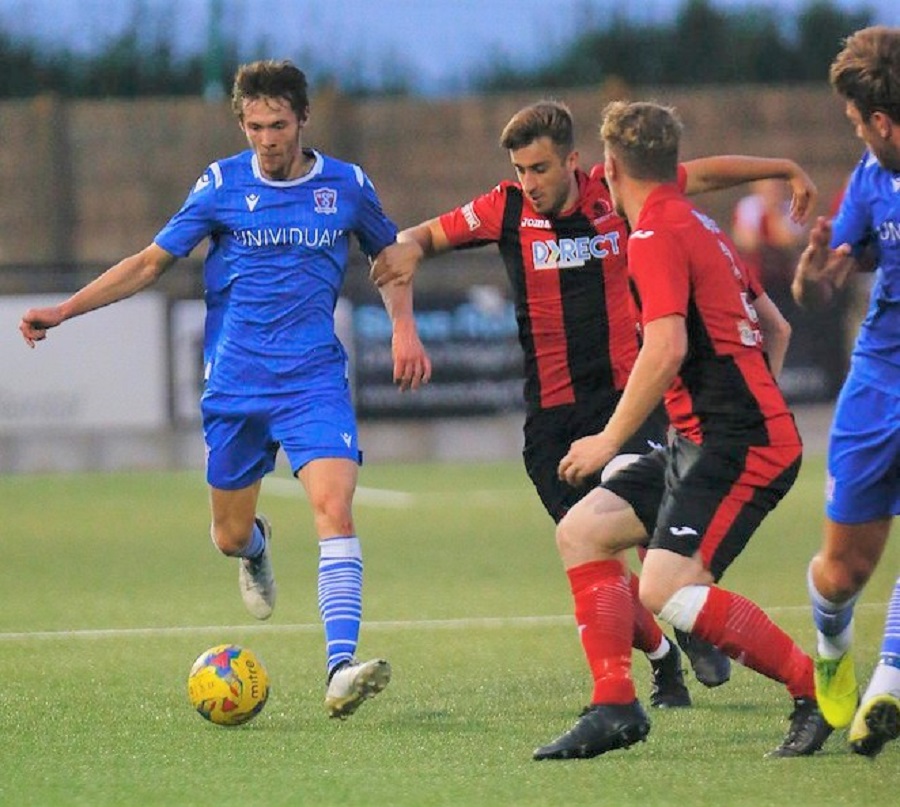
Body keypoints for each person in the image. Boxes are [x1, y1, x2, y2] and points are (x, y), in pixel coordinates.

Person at [18, 59, 432, 720]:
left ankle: (339, 666)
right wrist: (65, 311)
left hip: (313, 381)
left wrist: (404, 328)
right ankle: (256, 549)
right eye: (254, 126)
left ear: (302, 120)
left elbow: (393, 260)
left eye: (277, 125)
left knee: (335, 508)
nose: (266, 139)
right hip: (236, 386)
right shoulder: (220, 184)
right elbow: (150, 263)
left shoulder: (347, 187)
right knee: (228, 533)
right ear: (242, 124)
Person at [371, 99, 819, 705]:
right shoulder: (501, 208)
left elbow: (702, 173)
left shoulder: (616, 197)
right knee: (589, 555)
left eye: (540, 169)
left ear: (576, 162)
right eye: (520, 169)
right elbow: (410, 243)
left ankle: (680, 633)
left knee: (636, 530)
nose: (528, 183)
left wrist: (780, 167)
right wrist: (404, 325)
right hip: (552, 420)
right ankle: (660, 660)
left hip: (624, 404)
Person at [531, 100, 832, 761]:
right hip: (708, 437)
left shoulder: (654, 235)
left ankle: (817, 690)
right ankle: (615, 703)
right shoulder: (692, 218)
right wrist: (782, 164)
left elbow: (664, 348)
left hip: (734, 441)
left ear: (608, 167)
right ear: (673, 167)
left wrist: (608, 440)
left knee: (665, 588)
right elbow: (774, 326)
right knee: (583, 531)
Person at [791, 25, 900, 759]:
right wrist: (816, 276)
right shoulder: (871, 175)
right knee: (841, 572)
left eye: (859, 123)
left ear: (883, 122)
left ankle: (891, 678)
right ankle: (835, 649)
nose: (856, 134)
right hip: (879, 379)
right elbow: (828, 272)